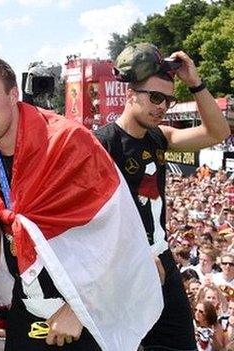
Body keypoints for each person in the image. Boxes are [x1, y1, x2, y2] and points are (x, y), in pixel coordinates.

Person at [0, 56, 163, 350]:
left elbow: (121, 235)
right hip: (28, 311)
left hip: (84, 314)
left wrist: (79, 307)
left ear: (13, 95)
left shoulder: (68, 142)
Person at [95, 42, 231, 351]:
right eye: (155, 97)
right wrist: (134, 257)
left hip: (162, 260)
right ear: (130, 95)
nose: (162, 106)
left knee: (179, 344)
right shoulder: (102, 144)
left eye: (168, 100)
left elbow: (218, 132)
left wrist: (195, 83)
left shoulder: (161, 136)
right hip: (123, 266)